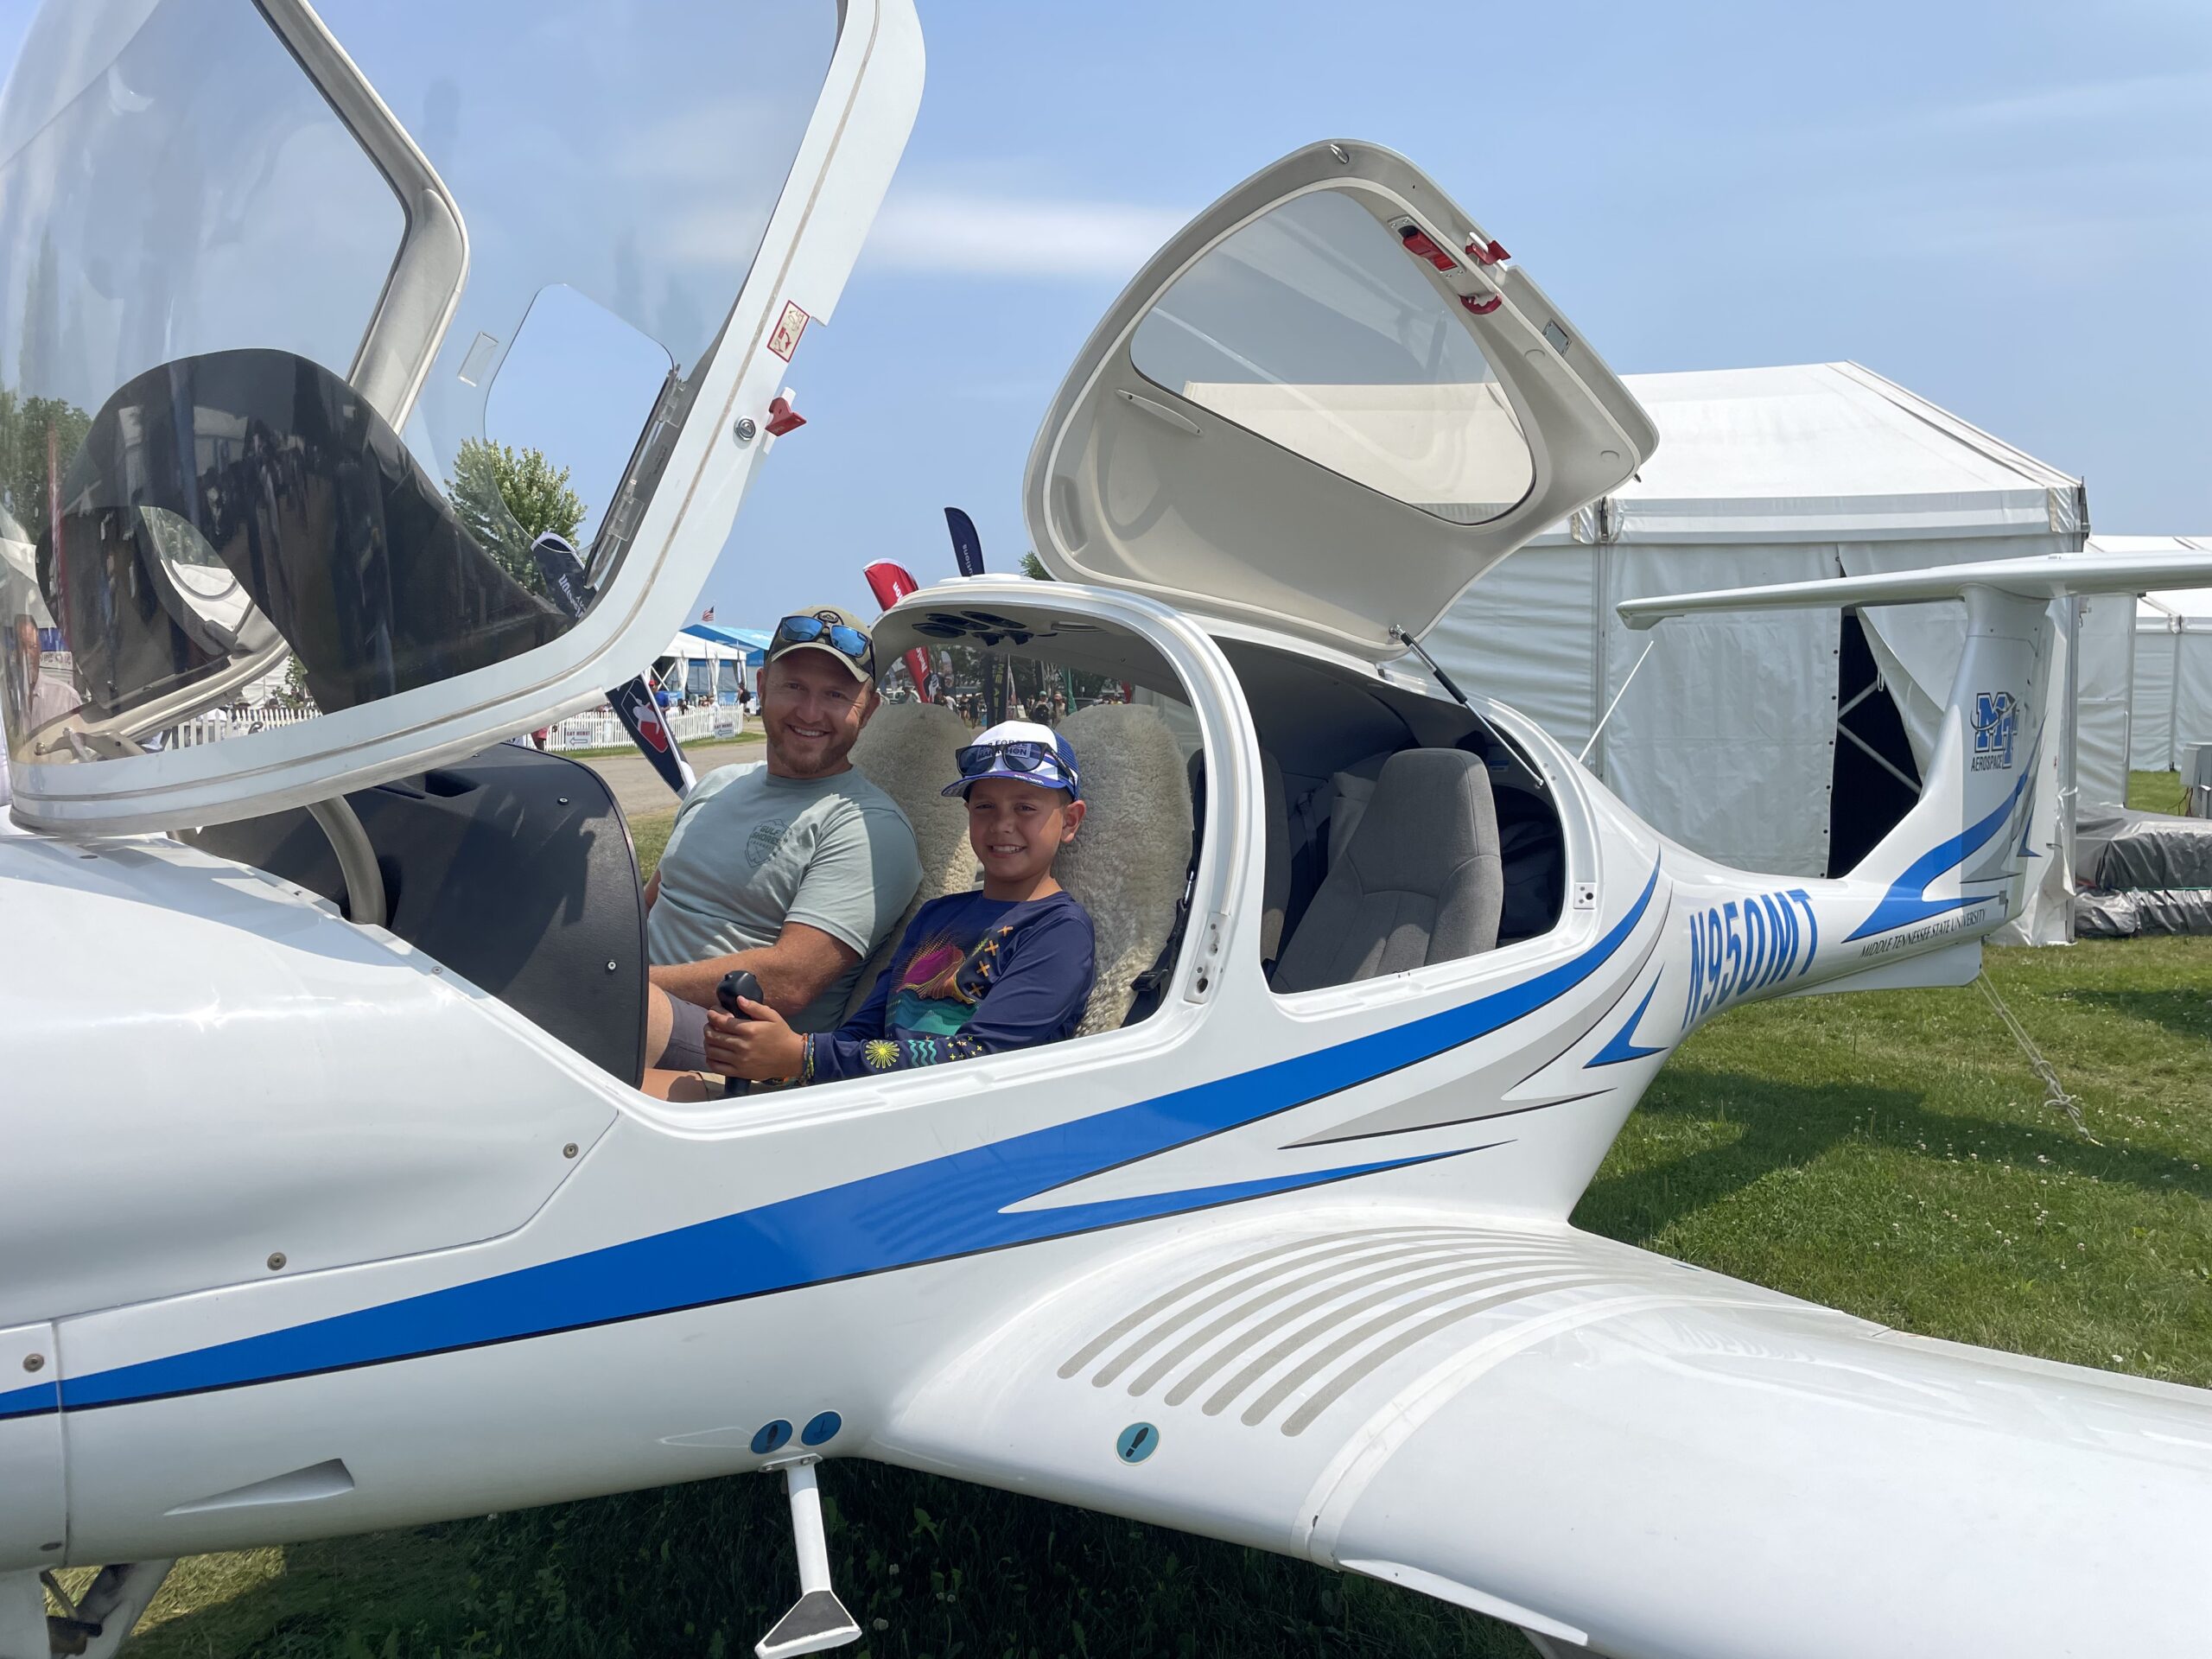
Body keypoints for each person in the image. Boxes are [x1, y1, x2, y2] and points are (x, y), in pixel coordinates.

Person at [704, 719, 1095, 1086]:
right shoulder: (936, 916)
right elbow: (863, 1031)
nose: (1002, 824)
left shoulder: (1058, 931)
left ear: (1071, 822)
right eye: (984, 806)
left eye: (1026, 807)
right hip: (877, 1107)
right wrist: (777, 1061)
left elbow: (981, 1058)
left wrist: (804, 1056)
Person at [641, 607, 922, 1093]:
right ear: (763, 684)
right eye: (794, 687)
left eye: (836, 695)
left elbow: (790, 980)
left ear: (869, 709)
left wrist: (628, 980)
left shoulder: (867, 826)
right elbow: (647, 903)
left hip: (730, 1042)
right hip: (639, 996)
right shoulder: (715, 787)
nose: (810, 713)